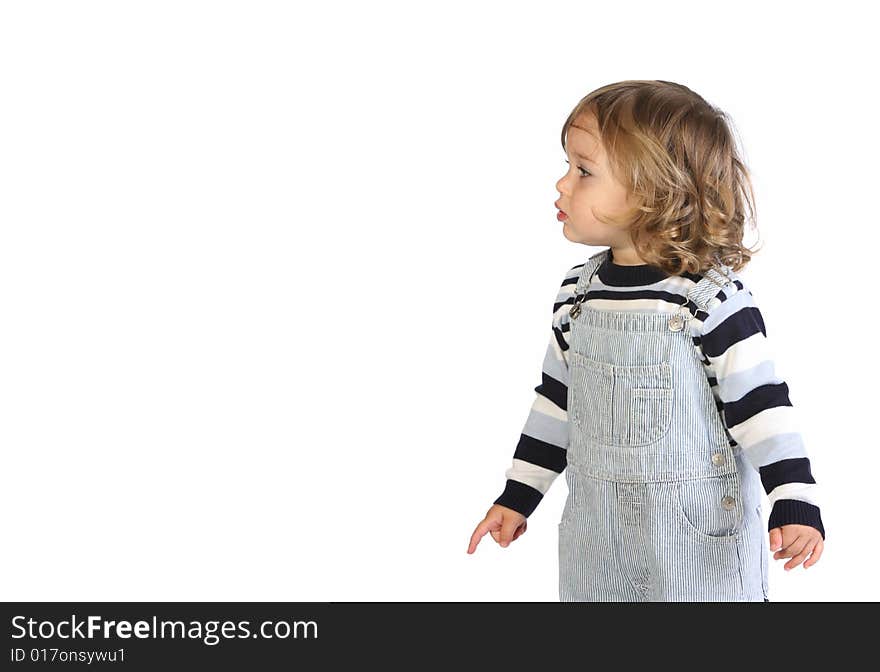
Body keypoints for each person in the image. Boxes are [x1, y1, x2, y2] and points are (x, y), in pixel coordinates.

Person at [466, 80, 825, 602]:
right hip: (598, 537)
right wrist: (519, 495)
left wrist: (794, 497)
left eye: (584, 172)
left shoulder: (709, 300)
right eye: (568, 166)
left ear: (656, 193)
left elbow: (763, 405)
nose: (562, 185)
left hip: (694, 543)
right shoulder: (578, 295)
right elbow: (556, 403)